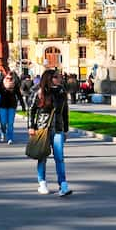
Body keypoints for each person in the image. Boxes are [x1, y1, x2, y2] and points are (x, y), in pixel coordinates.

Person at [29, 69, 72, 197]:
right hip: (42, 129)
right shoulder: (40, 92)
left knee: (59, 157)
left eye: (59, 77)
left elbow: (65, 112)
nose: (59, 79)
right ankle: (42, 182)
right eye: (56, 77)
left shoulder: (61, 92)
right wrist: (31, 126)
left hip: (57, 129)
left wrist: (65, 130)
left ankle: (63, 185)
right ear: (49, 79)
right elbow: (31, 110)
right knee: (42, 157)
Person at [0, 72, 21, 144]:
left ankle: (10, 138)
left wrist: (23, 106)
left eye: (11, 78)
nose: (9, 79)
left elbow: (19, 95)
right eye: (7, 78)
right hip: (3, 106)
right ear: (5, 78)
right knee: (3, 122)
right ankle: (3, 132)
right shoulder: (1, 85)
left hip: (12, 106)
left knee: (10, 123)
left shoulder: (15, 85)